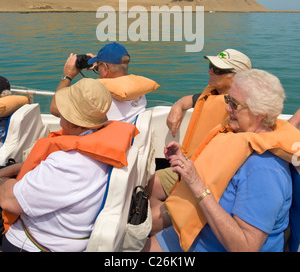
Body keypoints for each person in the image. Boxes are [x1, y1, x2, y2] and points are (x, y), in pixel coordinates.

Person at [144, 69, 298, 253]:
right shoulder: (235, 135)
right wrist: (185, 163)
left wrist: (196, 184)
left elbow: (245, 247)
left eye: (234, 104)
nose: (227, 108)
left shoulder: (265, 171)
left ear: (260, 114)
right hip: (194, 231)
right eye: (228, 100)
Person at [0, 77, 137, 252]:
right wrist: (9, 170)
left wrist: (3, 180)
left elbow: (9, 200)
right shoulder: (101, 144)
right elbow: (40, 165)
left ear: (71, 120)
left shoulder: (68, 163)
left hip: (32, 244)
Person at [147, 48, 252, 234]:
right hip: (188, 166)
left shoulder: (243, 112)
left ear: (238, 77)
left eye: (218, 70)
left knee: (149, 221)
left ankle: (167, 233)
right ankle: (167, 234)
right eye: (211, 66)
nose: (210, 71)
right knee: (152, 183)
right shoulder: (212, 94)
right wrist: (178, 106)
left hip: (208, 180)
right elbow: (191, 99)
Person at [50, 42, 147, 124]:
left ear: (104, 68)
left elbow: (55, 108)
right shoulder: (139, 92)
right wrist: (100, 66)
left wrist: (67, 76)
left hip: (96, 144)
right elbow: (114, 75)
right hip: (126, 142)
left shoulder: (97, 98)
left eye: (100, 66)